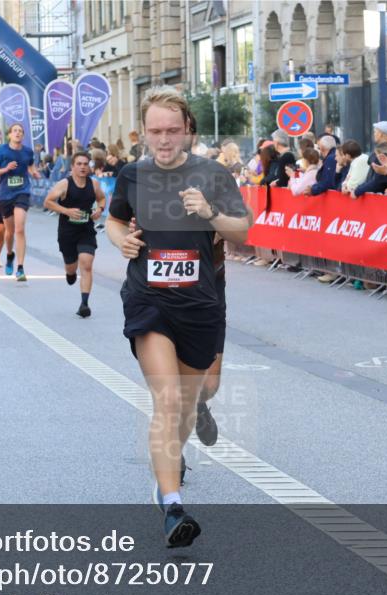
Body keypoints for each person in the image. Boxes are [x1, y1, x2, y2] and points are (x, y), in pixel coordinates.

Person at [105, 86, 252, 547]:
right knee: (167, 400)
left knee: (191, 399)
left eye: (172, 130)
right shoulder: (132, 174)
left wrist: (210, 214)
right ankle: (171, 504)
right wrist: (120, 241)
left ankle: (181, 444)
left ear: (188, 129)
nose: (164, 140)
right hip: (149, 299)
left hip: (200, 301)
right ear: (144, 133)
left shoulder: (213, 174)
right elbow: (114, 219)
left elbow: (243, 231)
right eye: (155, 132)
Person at [43, 151, 107, 317]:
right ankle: (70, 273)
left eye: (85, 164)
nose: (82, 167)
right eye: (79, 164)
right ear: (72, 167)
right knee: (71, 266)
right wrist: (66, 211)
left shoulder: (93, 185)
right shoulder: (64, 184)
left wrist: (99, 210)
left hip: (86, 230)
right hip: (67, 232)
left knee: (86, 264)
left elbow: (101, 199)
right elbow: (48, 202)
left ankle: (84, 304)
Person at [0, 123, 41, 281]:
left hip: (22, 192)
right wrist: (5, 169)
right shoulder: (2, 151)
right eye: (15, 131)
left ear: (23, 136)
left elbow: (30, 165)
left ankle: (20, 267)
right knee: (9, 231)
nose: (18, 133)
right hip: (5, 195)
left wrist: (34, 173)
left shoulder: (27, 151)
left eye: (20, 131)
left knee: (19, 229)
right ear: (10, 135)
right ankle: (10, 254)